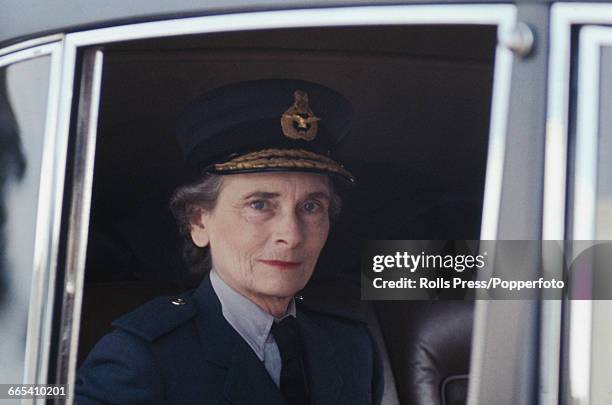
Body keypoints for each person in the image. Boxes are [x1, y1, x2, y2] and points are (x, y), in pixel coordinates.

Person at [75, 79, 384, 404]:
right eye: (260, 205)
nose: (291, 235)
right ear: (198, 221)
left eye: (310, 207)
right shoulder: (139, 360)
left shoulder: (352, 345)